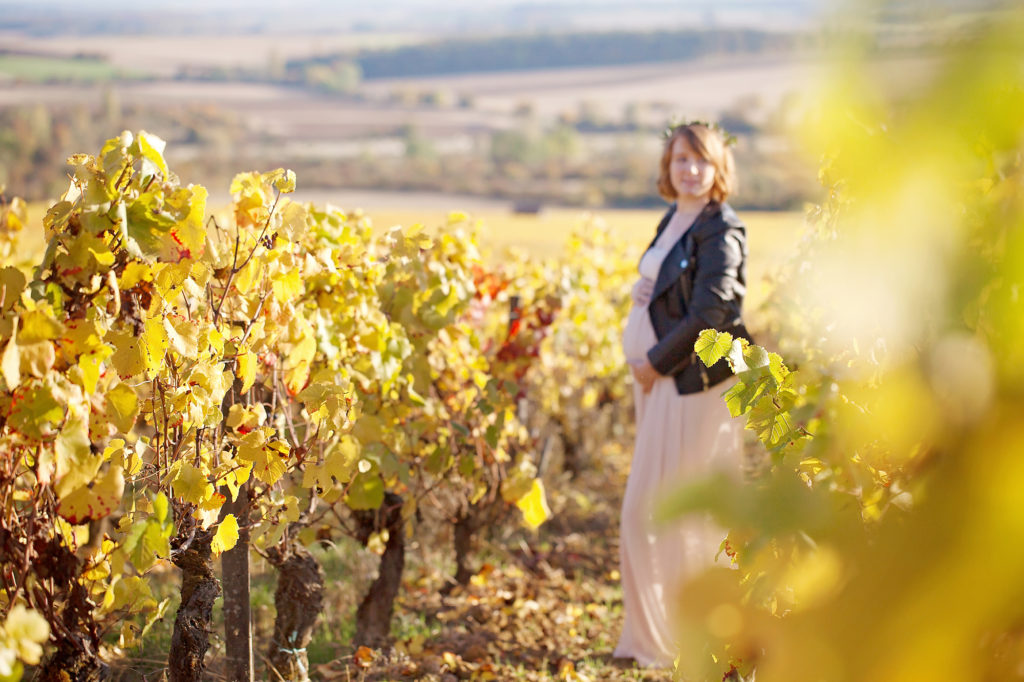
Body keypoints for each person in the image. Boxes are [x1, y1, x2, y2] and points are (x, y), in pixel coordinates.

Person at [614, 121, 751, 667]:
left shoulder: (723, 229)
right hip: (663, 384)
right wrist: (641, 294)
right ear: (667, 170)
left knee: (666, 513)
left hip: (692, 385)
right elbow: (672, 287)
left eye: (700, 161)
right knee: (658, 512)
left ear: (719, 169)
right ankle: (655, 640)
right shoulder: (676, 217)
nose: (689, 170)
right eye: (679, 161)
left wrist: (654, 361)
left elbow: (711, 314)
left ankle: (692, 641)